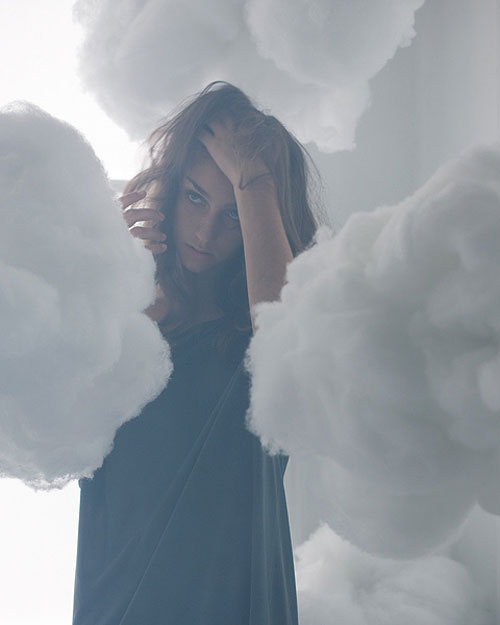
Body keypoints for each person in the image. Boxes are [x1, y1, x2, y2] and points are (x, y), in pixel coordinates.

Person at [72, 82, 321, 625]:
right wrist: (104, 272)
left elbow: (286, 341)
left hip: (235, 603)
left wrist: (256, 181)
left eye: (233, 213)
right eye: (194, 198)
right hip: (117, 600)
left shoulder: (263, 334)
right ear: (168, 189)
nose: (207, 231)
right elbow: (51, 430)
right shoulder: (121, 320)